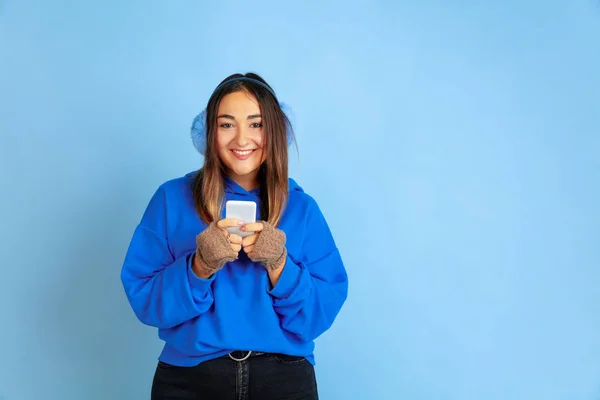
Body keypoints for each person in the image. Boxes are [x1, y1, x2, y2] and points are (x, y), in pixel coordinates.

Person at [120, 72, 349, 399]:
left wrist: (279, 265)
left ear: (275, 130)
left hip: (283, 381)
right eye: (227, 124)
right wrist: (199, 265)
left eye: (256, 124)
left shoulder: (302, 209)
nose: (242, 139)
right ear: (210, 133)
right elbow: (144, 299)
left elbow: (318, 315)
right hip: (189, 381)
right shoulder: (172, 199)